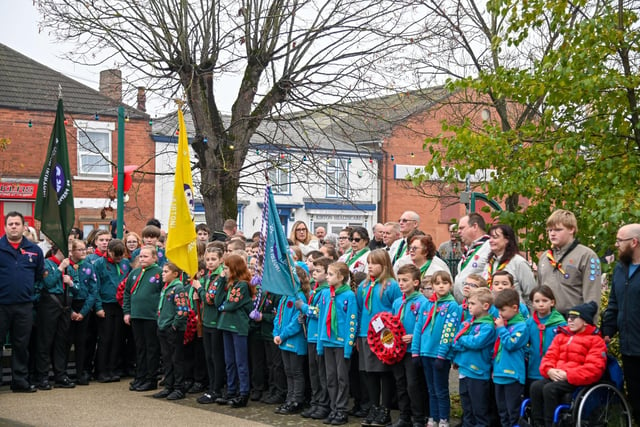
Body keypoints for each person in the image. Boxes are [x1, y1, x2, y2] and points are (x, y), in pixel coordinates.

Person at [530, 301, 606, 427]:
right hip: (557, 375)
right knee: (535, 386)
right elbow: (549, 357)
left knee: (550, 389)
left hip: (575, 379)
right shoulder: (561, 336)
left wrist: (568, 374)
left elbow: (594, 369)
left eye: (574, 317)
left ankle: (552, 424)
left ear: (586, 321)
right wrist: (549, 370)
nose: (569, 320)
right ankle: (538, 423)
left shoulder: (596, 341)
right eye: (569, 317)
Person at [355, 249, 402, 427]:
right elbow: (360, 310)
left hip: (385, 336)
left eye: (374, 263)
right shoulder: (363, 286)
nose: (370, 267)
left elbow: (397, 309)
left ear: (384, 265)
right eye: (369, 263)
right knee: (369, 373)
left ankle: (385, 410)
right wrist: (358, 336)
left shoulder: (391, 285)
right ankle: (374, 407)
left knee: (384, 373)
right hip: (366, 335)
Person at [0, 212, 44, 393]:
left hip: (24, 306)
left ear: (24, 227)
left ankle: (20, 381)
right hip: (1, 305)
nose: (13, 226)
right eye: (10, 224)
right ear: (4, 227)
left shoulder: (35, 250)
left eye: (17, 223)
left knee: (21, 345)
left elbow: (38, 275)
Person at [602, 223, 640, 424]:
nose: (616, 245)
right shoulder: (620, 269)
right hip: (629, 346)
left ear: (634, 242)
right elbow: (614, 303)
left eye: (620, 241)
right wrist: (608, 330)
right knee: (635, 396)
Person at [412, 271, 460, 427]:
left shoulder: (452, 306)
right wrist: (415, 351)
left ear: (450, 285)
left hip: (440, 355)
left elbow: (449, 331)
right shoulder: (427, 304)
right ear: (432, 286)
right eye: (437, 283)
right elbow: (418, 328)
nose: (441, 286)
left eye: (444, 283)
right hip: (425, 352)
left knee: (441, 389)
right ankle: (433, 417)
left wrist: (442, 355)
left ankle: (444, 419)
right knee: (431, 389)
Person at [536, 209, 602, 315]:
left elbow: (592, 295)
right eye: (549, 230)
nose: (552, 234)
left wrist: (588, 325)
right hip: (547, 321)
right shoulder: (545, 257)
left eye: (558, 230)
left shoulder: (586, 256)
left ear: (571, 229)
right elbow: (538, 291)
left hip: (573, 321)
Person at [317, 261, 358, 426]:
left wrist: (348, 347)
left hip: (341, 344)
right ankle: (334, 408)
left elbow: (351, 322)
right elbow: (322, 319)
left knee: (342, 378)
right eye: (327, 273)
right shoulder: (326, 294)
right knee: (330, 377)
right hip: (327, 341)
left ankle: (342, 410)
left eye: (331, 274)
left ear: (341, 277)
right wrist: (320, 343)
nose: (327, 277)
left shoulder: (349, 296)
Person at [452, 287, 496, 427]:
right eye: (468, 303)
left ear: (485, 306)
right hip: (464, 370)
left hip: (478, 372)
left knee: (479, 410)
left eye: (472, 304)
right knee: (467, 408)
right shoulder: (468, 323)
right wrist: (465, 340)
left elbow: (477, 343)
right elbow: (455, 341)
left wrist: (463, 339)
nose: (468, 307)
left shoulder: (488, 326)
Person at [391, 264, 429, 427]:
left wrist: (414, 336)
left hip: (412, 350)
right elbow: (392, 323)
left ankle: (419, 417)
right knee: (400, 384)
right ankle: (404, 416)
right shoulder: (397, 302)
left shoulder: (423, 302)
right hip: (398, 350)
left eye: (405, 280)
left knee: (414, 384)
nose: (401, 283)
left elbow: (426, 326)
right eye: (399, 280)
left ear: (416, 282)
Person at [34, 245, 76, 390]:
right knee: (45, 341)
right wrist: (60, 269)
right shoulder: (47, 263)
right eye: (66, 250)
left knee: (61, 341)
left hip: (65, 304)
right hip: (50, 303)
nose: (69, 254)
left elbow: (74, 286)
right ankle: (42, 377)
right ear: (55, 251)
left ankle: (60, 375)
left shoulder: (69, 267)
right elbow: (48, 283)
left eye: (70, 251)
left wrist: (69, 280)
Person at [122, 245, 163, 393]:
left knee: (151, 348)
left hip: (151, 317)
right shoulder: (135, 273)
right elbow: (127, 293)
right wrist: (127, 312)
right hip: (136, 316)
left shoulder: (159, 273)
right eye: (141, 256)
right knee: (140, 348)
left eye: (146, 256)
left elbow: (163, 293)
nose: (142, 259)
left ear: (154, 257)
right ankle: (140, 376)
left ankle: (151, 378)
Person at [296, 256, 333, 420]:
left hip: (319, 337)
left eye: (318, 271)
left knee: (321, 373)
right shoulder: (316, 290)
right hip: (310, 336)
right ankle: (315, 402)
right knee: (314, 373)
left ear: (327, 274)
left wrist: (303, 308)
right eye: (314, 270)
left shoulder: (325, 292)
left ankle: (324, 404)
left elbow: (319, 312)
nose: (314, 273)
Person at [216, 254, 255, 408]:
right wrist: (220, 281)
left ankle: (243, 392)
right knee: (229, 361)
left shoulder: (242, 285)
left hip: (238, 326)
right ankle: (231, 390)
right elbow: (218, 301)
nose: (223, 270)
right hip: (226, 324)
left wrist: (222, 307)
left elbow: (231, 305)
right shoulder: (229, 283)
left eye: (226, 268)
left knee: (241, 362)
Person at [273, 266, 310, 415]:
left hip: (294, 341)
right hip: (282, 340)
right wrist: (276, 333)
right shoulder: (284, 296)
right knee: (288, 371)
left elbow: (296, 322)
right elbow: (278, 317)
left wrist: (282, 336)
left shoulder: (299, 297)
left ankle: (297, 400)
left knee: (296, 372)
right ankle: (290, 398)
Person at [93, 239, 131, 383]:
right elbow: (95, 287)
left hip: (120, 305)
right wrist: (98, 307)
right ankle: (101, 370)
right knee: (105, 338)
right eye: (116, 256)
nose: (119, 259)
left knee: (117, 338)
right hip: (105, 305)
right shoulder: (98, 264)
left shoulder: (126, 264)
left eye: (121, 256)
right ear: (109, 251)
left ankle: (113, 368)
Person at [492, 288, 529, 427]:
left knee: (513, 413)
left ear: (515, 308)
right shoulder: (505, 324)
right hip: (499, 374)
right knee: (502, 412)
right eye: (498, 311)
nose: (500, 314)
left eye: (503, 311)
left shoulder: (521, 327)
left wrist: (501, 329)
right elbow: (496, 349)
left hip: (513, 376)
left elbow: (511, 344)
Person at [154, 262, 190, 400]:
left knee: (176, 359)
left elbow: (182, 310)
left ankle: (179, 388)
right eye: (163, 271)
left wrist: (175, 325)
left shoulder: (178, 288)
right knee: (167, 359)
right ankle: (169, 386)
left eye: (166, 271)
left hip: (172, 329)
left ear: (175, 274)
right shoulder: (166, 288)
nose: (163, 273)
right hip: (162, 326)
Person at [66, 239, 99, 386]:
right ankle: (63, 372)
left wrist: (83, 312)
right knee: (66, 341)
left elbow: (93, 290)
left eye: (84, 249)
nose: (83, 252)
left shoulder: (89, 267)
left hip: (84, 306)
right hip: (68, 305)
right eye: (79, 249)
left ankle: (81, 373)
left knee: (82, 342)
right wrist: (71, 311)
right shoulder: (67, 267)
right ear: (72, 251)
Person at [525, 286, 566, 395]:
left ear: (552, 302)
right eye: (537, 301)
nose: (541, 304)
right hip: (534, 367)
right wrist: (528, 352)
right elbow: (524, 342)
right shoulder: (529, 323)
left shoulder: (560, 323)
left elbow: (564, 346)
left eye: (544, 301)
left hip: (553, 368)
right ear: (532, 304)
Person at [483, 224, 536, 305]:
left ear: (507, 240)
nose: (490, 240)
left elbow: (531, 294)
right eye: (490, 237)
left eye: (495, 237)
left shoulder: (519, 262)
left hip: (514, 313)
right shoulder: (490, 262)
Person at [453, 213, 491, 303]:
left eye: (462, 228)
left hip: (479, 305)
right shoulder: (468, 250)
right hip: (465, 306)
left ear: (474, 226)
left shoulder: (488, 247)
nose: (458, 231)